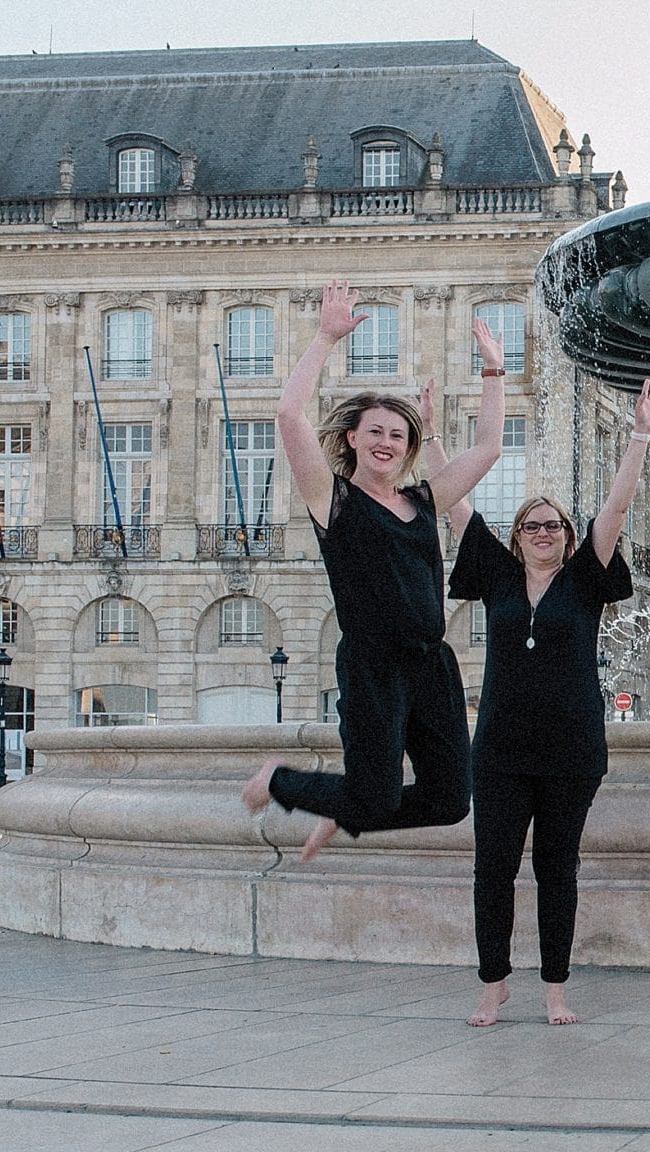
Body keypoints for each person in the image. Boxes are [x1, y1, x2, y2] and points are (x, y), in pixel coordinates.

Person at [242, 282, 507, 861]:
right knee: (374, 792)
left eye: (399, 434)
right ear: (353, 440)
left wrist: (493, 373)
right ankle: (282, 782)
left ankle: (344, 810)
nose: (387, 442)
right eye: (376, 433)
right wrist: (325, 337)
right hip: (373, 665)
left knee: (450, 801)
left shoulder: (424, 500)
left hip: (432, 664)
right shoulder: (332, 501)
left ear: (409, 446)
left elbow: (487, 448)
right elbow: (289, 415)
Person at [441, 380, 650, 1027]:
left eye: (553, 525)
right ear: (516, 536)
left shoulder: (585, 577)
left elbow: (617, 509)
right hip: (502, 750)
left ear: (568, 535)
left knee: (556, 870)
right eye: (531, 525)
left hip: (571, 750)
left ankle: (556, 990)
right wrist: (428, 436)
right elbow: (453, 503)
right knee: (493, 870)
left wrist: (641, 434)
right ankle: (493, 985)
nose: (543, 531)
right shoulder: (497, 574)